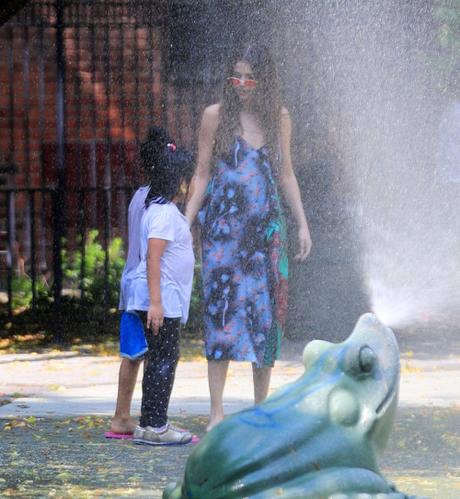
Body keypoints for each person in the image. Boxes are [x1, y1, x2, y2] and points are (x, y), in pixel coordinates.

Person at [185, 43, 312, 431]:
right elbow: (202, 173)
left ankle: (261, 408)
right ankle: (216, 411)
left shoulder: (279, 118)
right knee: (220, 315)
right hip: (223, 234)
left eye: (249, 77)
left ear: (264, 80)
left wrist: (302, 222)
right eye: (235, 76)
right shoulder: (215, 116)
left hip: (266, 234)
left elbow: (286, 173)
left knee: (266, 318)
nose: (241, 84)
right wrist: (185, 221)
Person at [125, 126, 196, 445]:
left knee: (159, 359)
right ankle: (156, 426)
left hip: (163, 297)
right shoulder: (165, 215)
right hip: (162, 299)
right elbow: (153, 259)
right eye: (190, 177)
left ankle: (147, 423)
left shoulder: (160, 211)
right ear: (180, 182)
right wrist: (156, 303)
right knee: (165, 359)